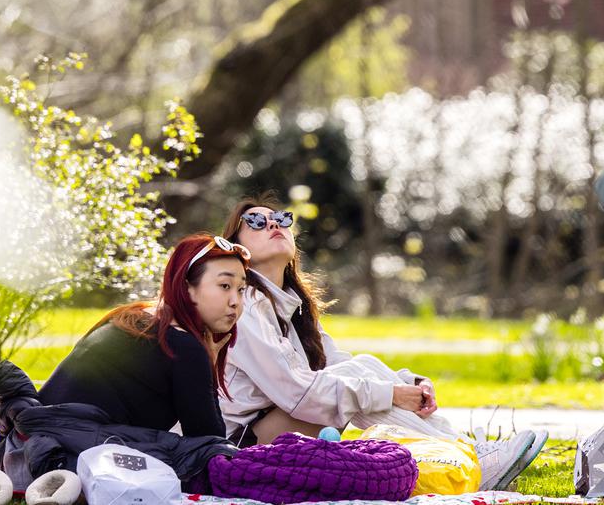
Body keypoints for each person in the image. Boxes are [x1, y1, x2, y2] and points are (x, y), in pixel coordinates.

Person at [217, 195, 547, 491]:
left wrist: (410, 383)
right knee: (360, 377)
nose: (273, 223)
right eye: (256, 222)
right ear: (237, 248)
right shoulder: (245, 306)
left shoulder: (291, 304)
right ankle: (470, 456)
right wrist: (392, 394)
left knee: (361, 367)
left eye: (282, 218)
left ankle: (464, 451)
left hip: (278, 426)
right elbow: (299, 394)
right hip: (242, 448)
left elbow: (336, 363)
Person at [39, 233, 251, 436]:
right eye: (225, 286)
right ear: (187, 288)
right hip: (68, 459)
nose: (235, 301)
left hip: (32, 446)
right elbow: (210, 444)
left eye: (241, 289)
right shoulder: (183, 346)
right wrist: (209, 369)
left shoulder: (137, 317)